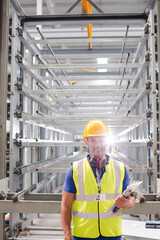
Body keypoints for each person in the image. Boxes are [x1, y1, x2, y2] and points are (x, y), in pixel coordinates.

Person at [61, 119, 135, 240]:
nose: (97, 144)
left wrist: (127, 203)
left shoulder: (120, 169)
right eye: (93, 140)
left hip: (112, 235)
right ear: (86, 142)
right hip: (82, 235)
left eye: (101, 139)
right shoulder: (74, 170)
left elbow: (131, 200)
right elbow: (65, 206)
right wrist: (67, 234)